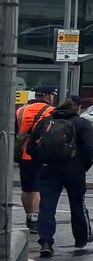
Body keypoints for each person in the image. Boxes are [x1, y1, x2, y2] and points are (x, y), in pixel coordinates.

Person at [29, 95, 93, 258]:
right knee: (77, 204)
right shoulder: (82, 123)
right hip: (74, 170)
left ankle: (45, 241)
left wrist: (42, 163)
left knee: (47, 205)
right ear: (79, 107)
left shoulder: (46, 122)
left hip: (49, 168)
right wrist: (84, 167)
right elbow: (90, 148)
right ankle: (80, 239)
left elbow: (32, 146)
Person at [16, 86, 54, 231]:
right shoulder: (52, 111)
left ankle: (29, 217)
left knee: (26, 188)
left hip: (24, 154)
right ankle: (36, 219)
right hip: (43, 154)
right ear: (49, 97)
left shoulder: (21, 110)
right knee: (38, 188)